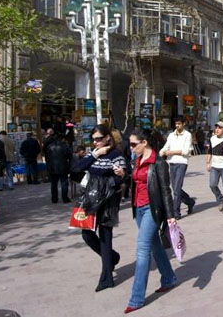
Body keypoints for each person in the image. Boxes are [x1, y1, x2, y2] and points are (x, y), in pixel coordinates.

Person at [125, 128, 178, 314]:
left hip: (152, 210)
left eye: (133, 144)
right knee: (155, 245)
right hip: (138, 209)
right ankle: (169, 278)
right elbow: (136, 181)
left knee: (142, 250)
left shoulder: (159, 162)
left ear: (144, 142)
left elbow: (165, 190)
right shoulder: (136, 160)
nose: (131, 148)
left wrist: (171, 215)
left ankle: (137, 298)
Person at [75, 125, 126, 292]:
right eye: (94, 139)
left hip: (108, 200)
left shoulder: (116, 154)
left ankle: (106, 277)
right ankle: (112, 257)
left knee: (105, 236)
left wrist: (118, 176)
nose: (95, 141)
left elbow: (122, 177)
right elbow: (76, 168)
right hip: (89, 200)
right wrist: (96, 154)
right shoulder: (93, 153)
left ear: (107, 138)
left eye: (98, 138)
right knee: (87, 234)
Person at [159, 116, 196, 220]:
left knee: (176, 189)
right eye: (176, 124)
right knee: (175, 188)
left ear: (184, 124)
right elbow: (166, 146)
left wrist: (171, 152)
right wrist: (160, 153)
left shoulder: (187, 135)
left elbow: (185, 151)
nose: (177, 125)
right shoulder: (171, 135)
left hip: (182, 162)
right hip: (172, 162)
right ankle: (190, 201)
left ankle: (176, 212)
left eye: (179, 124)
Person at [43, 134, 73, 203]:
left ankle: (54, 199)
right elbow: (70, 156)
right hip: (63, 167)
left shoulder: (49, 146)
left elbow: (47, 157)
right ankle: (65, 198)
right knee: (64, 183)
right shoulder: (64, 146)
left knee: (54, 184)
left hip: (52, 167)